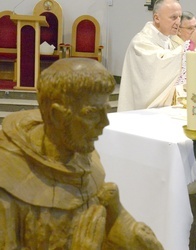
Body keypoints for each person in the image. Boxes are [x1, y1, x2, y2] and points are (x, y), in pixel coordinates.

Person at [0, 58, 163, 249]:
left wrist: (119, 217)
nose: (104, 123)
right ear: (56, 115)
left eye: (106, 111)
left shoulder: (84, 160)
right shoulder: (8, 186)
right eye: (92, 114)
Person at [118, 0, 196, 112]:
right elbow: (160, 67)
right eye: (173, 17)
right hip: (142, 113)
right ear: (157, 18)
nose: (178, 22)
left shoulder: (167, 41)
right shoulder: (141, 42)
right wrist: (191, 44)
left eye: (179, 17)